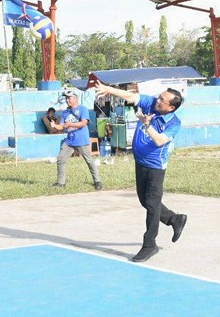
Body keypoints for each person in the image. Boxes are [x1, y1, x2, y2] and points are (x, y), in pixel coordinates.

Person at [94, 81, 187, 263]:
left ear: (171, 107)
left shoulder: (174, 123)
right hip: (140, 162)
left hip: (155, 167)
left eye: (162, 99)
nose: (158, 100)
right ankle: (174, 219)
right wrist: (108, 90)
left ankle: (149, 244)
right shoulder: (151, 103)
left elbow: (160, 141)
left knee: (152, 205)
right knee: (145, 201)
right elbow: (130, 96)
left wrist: (147, 125)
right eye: (159, 96)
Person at [54, 91, 102, 190]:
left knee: (89, 161)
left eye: (69, 98)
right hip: (69, 141)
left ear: (75, 98)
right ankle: (61, 183)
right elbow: (61, 126)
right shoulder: (65, 113)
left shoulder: (82, 109)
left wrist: (70, 124)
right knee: (60, 159)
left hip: (81, 140)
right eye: (66, 98)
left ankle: (97, 181)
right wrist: (55, 126)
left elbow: (84, 123)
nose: (67, 100)